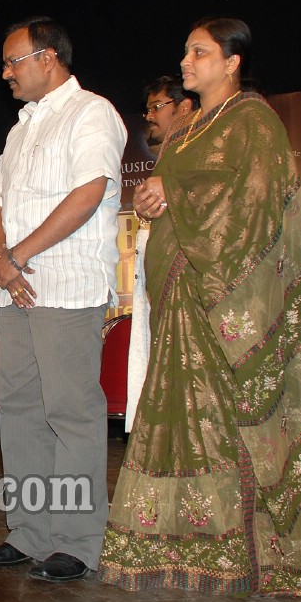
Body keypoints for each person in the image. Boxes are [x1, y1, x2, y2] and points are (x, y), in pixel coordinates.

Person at [99, 18, 301, 597]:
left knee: (226, 423)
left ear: (232, 61)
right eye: (186, 51)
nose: (186, 62)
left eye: (199, 52)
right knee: (184, 422)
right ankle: (185, 546)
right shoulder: (189, 130)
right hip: (177, 300)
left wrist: (177, 195)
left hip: (221, 299)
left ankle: (248, 554)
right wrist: (153, 195)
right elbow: (171, 188)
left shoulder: (253, 121)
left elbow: (256, 205)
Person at [0, 16, 126, 582]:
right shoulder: (20, 129)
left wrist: (19, 256)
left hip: (65, 285)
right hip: (16, 292)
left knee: (69, 411)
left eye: (14, 61)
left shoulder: (93, 113)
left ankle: (79, 542)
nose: (5, 72)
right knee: (20, 411)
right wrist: (2, 262)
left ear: (48, 58)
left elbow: (89, 194)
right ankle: (30, 533)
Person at [126, 76, 199, 430]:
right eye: (148, 109)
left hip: (191, 295)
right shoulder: (172, 155)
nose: (150, 116)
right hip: (164, 293)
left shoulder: (199, 151)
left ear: (184, 107)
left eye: (158, 107)